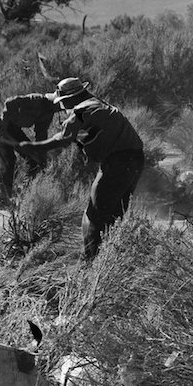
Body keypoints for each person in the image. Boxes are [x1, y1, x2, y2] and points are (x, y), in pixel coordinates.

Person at [19, 77, 145, 260]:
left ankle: (91, 261)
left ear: (71, 97)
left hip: (117, 162)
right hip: (135, 160)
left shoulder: (81, 110)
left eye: (63, 103)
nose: (62, 107)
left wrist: (34, 147)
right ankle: (114, 257)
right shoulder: (97, 105)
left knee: (94, 213)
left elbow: (63, 138)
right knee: (115, 212)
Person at [0, 93, 61, 207]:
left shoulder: (49, 112)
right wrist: (3, 125)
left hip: (14, 130)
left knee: (33, 160)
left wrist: (40, 155)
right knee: (8, 160)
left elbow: (41, 134)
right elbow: (10, 101)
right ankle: (2, 199)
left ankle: (26, 195)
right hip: (1, 127)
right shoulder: (37, 100)